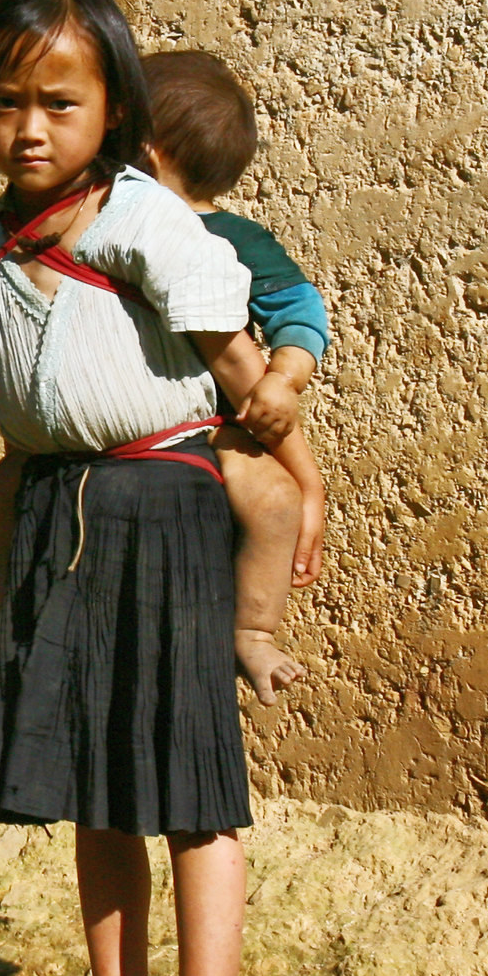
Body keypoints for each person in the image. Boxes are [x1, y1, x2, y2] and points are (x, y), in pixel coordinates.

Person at [0, 0, 265, 976]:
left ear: (112, 113)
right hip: (54, 511)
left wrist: (289, 469)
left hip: (157, 504)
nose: (29, 128)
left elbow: (240, 373)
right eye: (3, 101)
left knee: (183, 784)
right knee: (95, 784)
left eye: (58, 104)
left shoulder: (140, 220)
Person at [144, 49, 328, 702]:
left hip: (217, 425)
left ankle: (253, 629)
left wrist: (284, 375)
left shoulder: (238, 241)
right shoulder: (109, 228)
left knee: (275, 501)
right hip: (137, 430)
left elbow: (301, 311)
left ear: (145, 146)